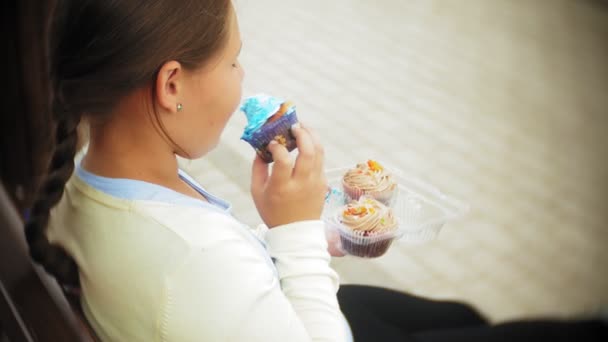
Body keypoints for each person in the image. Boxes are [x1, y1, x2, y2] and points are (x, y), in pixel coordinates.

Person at [5, 0, 605, 341]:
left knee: (455, 319)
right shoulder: (189, 261)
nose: (243, 76)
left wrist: (311, 235)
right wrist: (294, 235)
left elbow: (209, 265)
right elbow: (200, 267)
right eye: (234, 60)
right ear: (171, 85)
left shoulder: (83, 175)